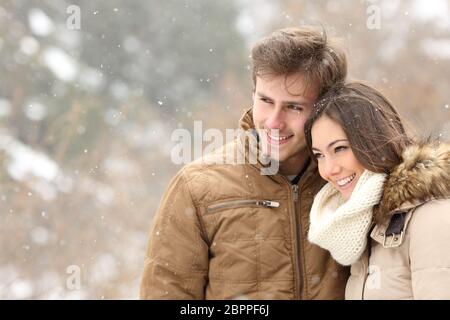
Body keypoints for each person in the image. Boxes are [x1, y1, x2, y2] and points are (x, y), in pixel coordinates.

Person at [139, 26, 350, 300]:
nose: (274, 122)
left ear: (326, 107)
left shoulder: (354, 180)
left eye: (294, 107)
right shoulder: (197, 187)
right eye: (265, 100)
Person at [305, 82, 450, 299]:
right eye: (319, 155)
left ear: (373, 142)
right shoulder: (362, 226)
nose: (329, 169)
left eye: (340, 148)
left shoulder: (431, 217)